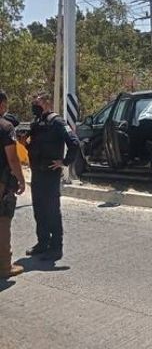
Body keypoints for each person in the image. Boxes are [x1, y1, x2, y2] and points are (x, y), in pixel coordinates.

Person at [23, 92, 80, 262]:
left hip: (50, 173)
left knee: (52, 211)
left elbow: (74, 143)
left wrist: (64, 162)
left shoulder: (57, 122)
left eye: (38, 103)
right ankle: (42, 243)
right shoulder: (37, 123)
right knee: (39, 209)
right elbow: (31, 145)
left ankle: (56, 247)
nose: (35, 106)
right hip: (37, 173)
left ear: (47, 103)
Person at [0, 91, 26, 278]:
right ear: (2, 104)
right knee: (2, 222)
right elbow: (13, 158)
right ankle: (4, 266)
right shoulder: (5, 127)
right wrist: (21, 179)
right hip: (2, 182)